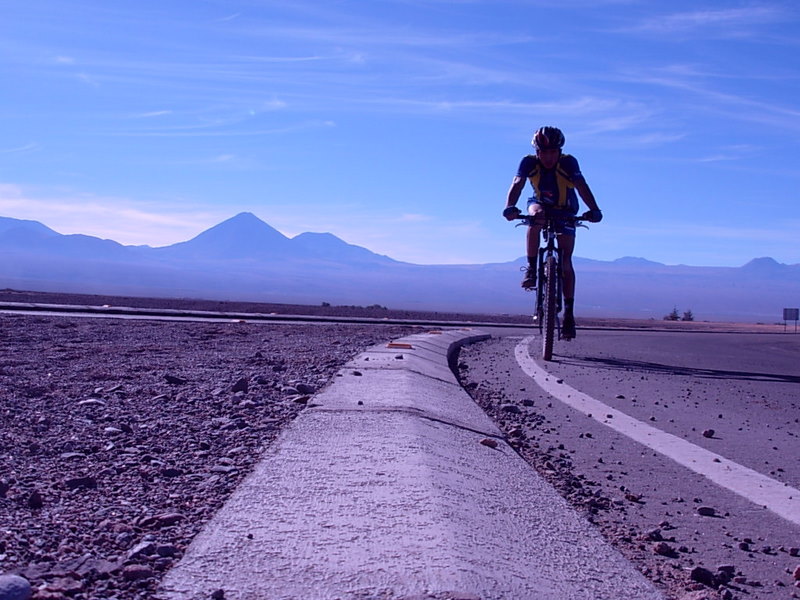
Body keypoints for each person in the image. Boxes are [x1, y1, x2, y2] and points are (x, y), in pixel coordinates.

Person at [503, 126, 602, 339]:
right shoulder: (528, 162)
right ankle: (531, 268)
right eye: (544, 152)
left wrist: (594, 209)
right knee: (535, 217)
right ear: (537, 152)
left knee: (566, 260)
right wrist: (509, 206)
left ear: (559, 151)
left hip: (566, 208)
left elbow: (581, 185)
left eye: (552, 152)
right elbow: (518, 183)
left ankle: (569, 314)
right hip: (540, 204)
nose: (548, 157)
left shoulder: (568, 163)